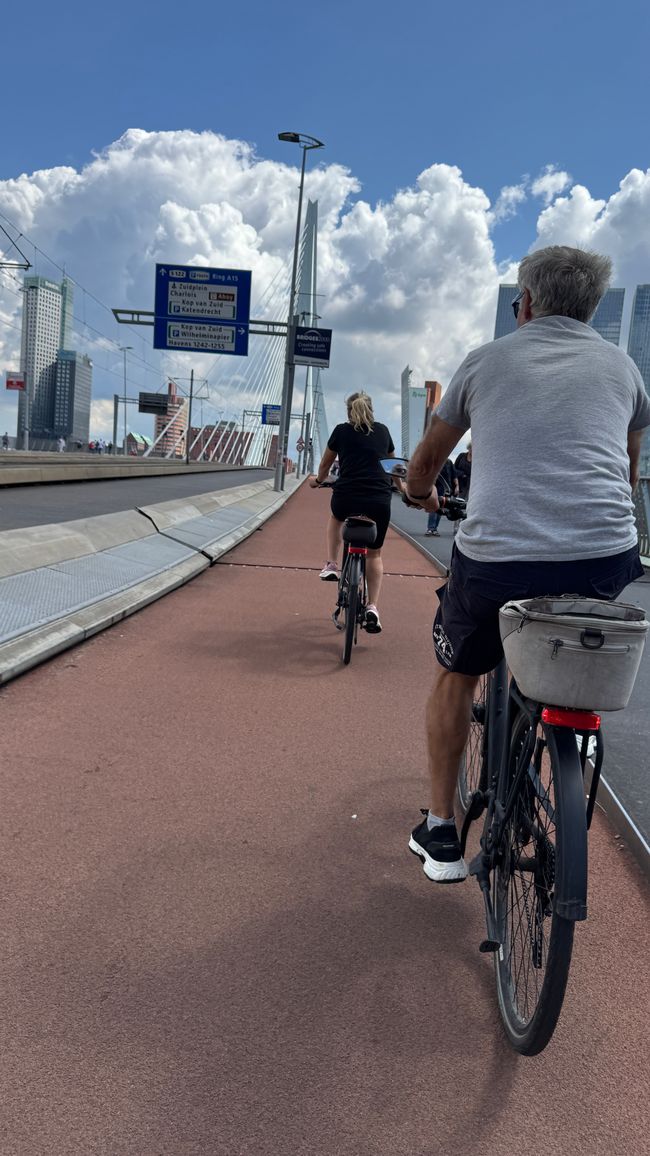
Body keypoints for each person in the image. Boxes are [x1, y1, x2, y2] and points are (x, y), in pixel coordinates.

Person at [404, 245, 650, 884]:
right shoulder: (623, 370)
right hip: (605, 555)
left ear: (528, 304)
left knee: (455, 672)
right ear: (591, 311)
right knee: (576, 609)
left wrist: (421, 496)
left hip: (499, 562)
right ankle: (570, 738)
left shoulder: (485, 360)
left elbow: (425, 467)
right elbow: (626, 477)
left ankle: (440, 830)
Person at [309, 391, 402, 634]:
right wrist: (402, 489)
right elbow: (394, 467)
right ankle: (372, 607)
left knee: (336, 518)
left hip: (347, 496)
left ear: (348, 411)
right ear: (372, 409)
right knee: (374, 555)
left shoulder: (341, 431)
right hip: (378, 501)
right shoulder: (383, 431)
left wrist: (318, 481)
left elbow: (325, 465)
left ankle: (331, 564)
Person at [425, 458, 458, 535]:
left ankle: (435, 528)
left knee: (440, 510)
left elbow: (454, 476)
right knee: (434, 508)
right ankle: (430, 528)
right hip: (435, 488)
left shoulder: (449, 462)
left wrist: (457, 486)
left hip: (445, 490)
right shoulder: (434, 462)